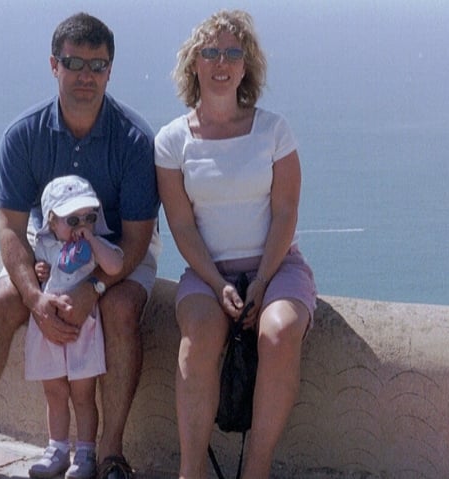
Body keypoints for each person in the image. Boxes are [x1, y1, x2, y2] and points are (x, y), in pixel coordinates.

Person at [0, 12, 159, 479]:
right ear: (54, 65)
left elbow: (137, 240)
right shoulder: (23, 135)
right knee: (4, 301)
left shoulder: (133, 139)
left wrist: (95, 289)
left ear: (110, 70)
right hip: (46, 244)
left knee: (122, 309)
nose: (86, 75)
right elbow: (10, 228)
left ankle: (109, 454)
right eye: (75, 63)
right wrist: (34, 295)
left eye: (98, 65)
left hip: (115, 251)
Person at [154, 9, 317, 479]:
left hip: (277, 265)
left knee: (279, 333)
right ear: (195, 64)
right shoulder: (172, 141)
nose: (221, 62)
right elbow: (182, 226)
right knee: (199, 337)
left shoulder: (274, 130)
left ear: (246, 66)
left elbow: (286, 213)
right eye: (211, 52)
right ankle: (192, 472)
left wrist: (264, 279)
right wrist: (217, 283)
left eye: (231, 53)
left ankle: (257, 469)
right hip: (208, 273)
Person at [26, 175, 124, 479]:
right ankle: (57, 448)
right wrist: (37, 269)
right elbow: (35, 270)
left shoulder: (94, 247)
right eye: (72, 219)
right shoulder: (44, 245)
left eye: (89, 217)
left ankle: (85, 451)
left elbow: (116, 266)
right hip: (49, 328)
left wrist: (94, 240)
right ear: (52, 222)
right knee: (54, 392)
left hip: (83, 331)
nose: (82, 225)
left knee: (83, 394)